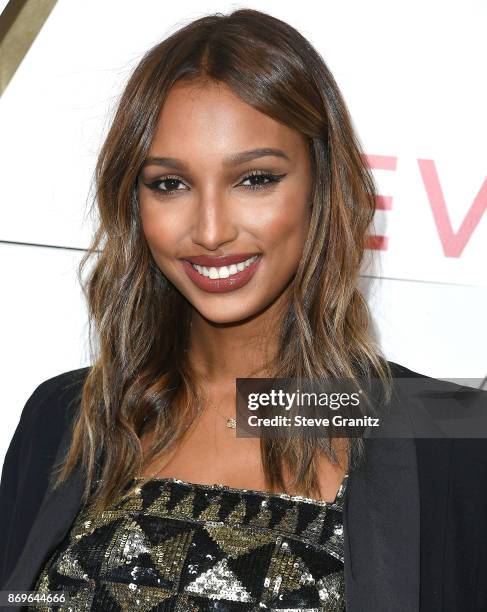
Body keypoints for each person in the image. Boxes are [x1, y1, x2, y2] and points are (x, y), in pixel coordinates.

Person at [1, 8, 486, 611]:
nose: (209, 230)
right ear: (133, 203)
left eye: (254, 179)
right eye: (169, 184)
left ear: (324, 186)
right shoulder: (65, 420)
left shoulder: (447, 437)